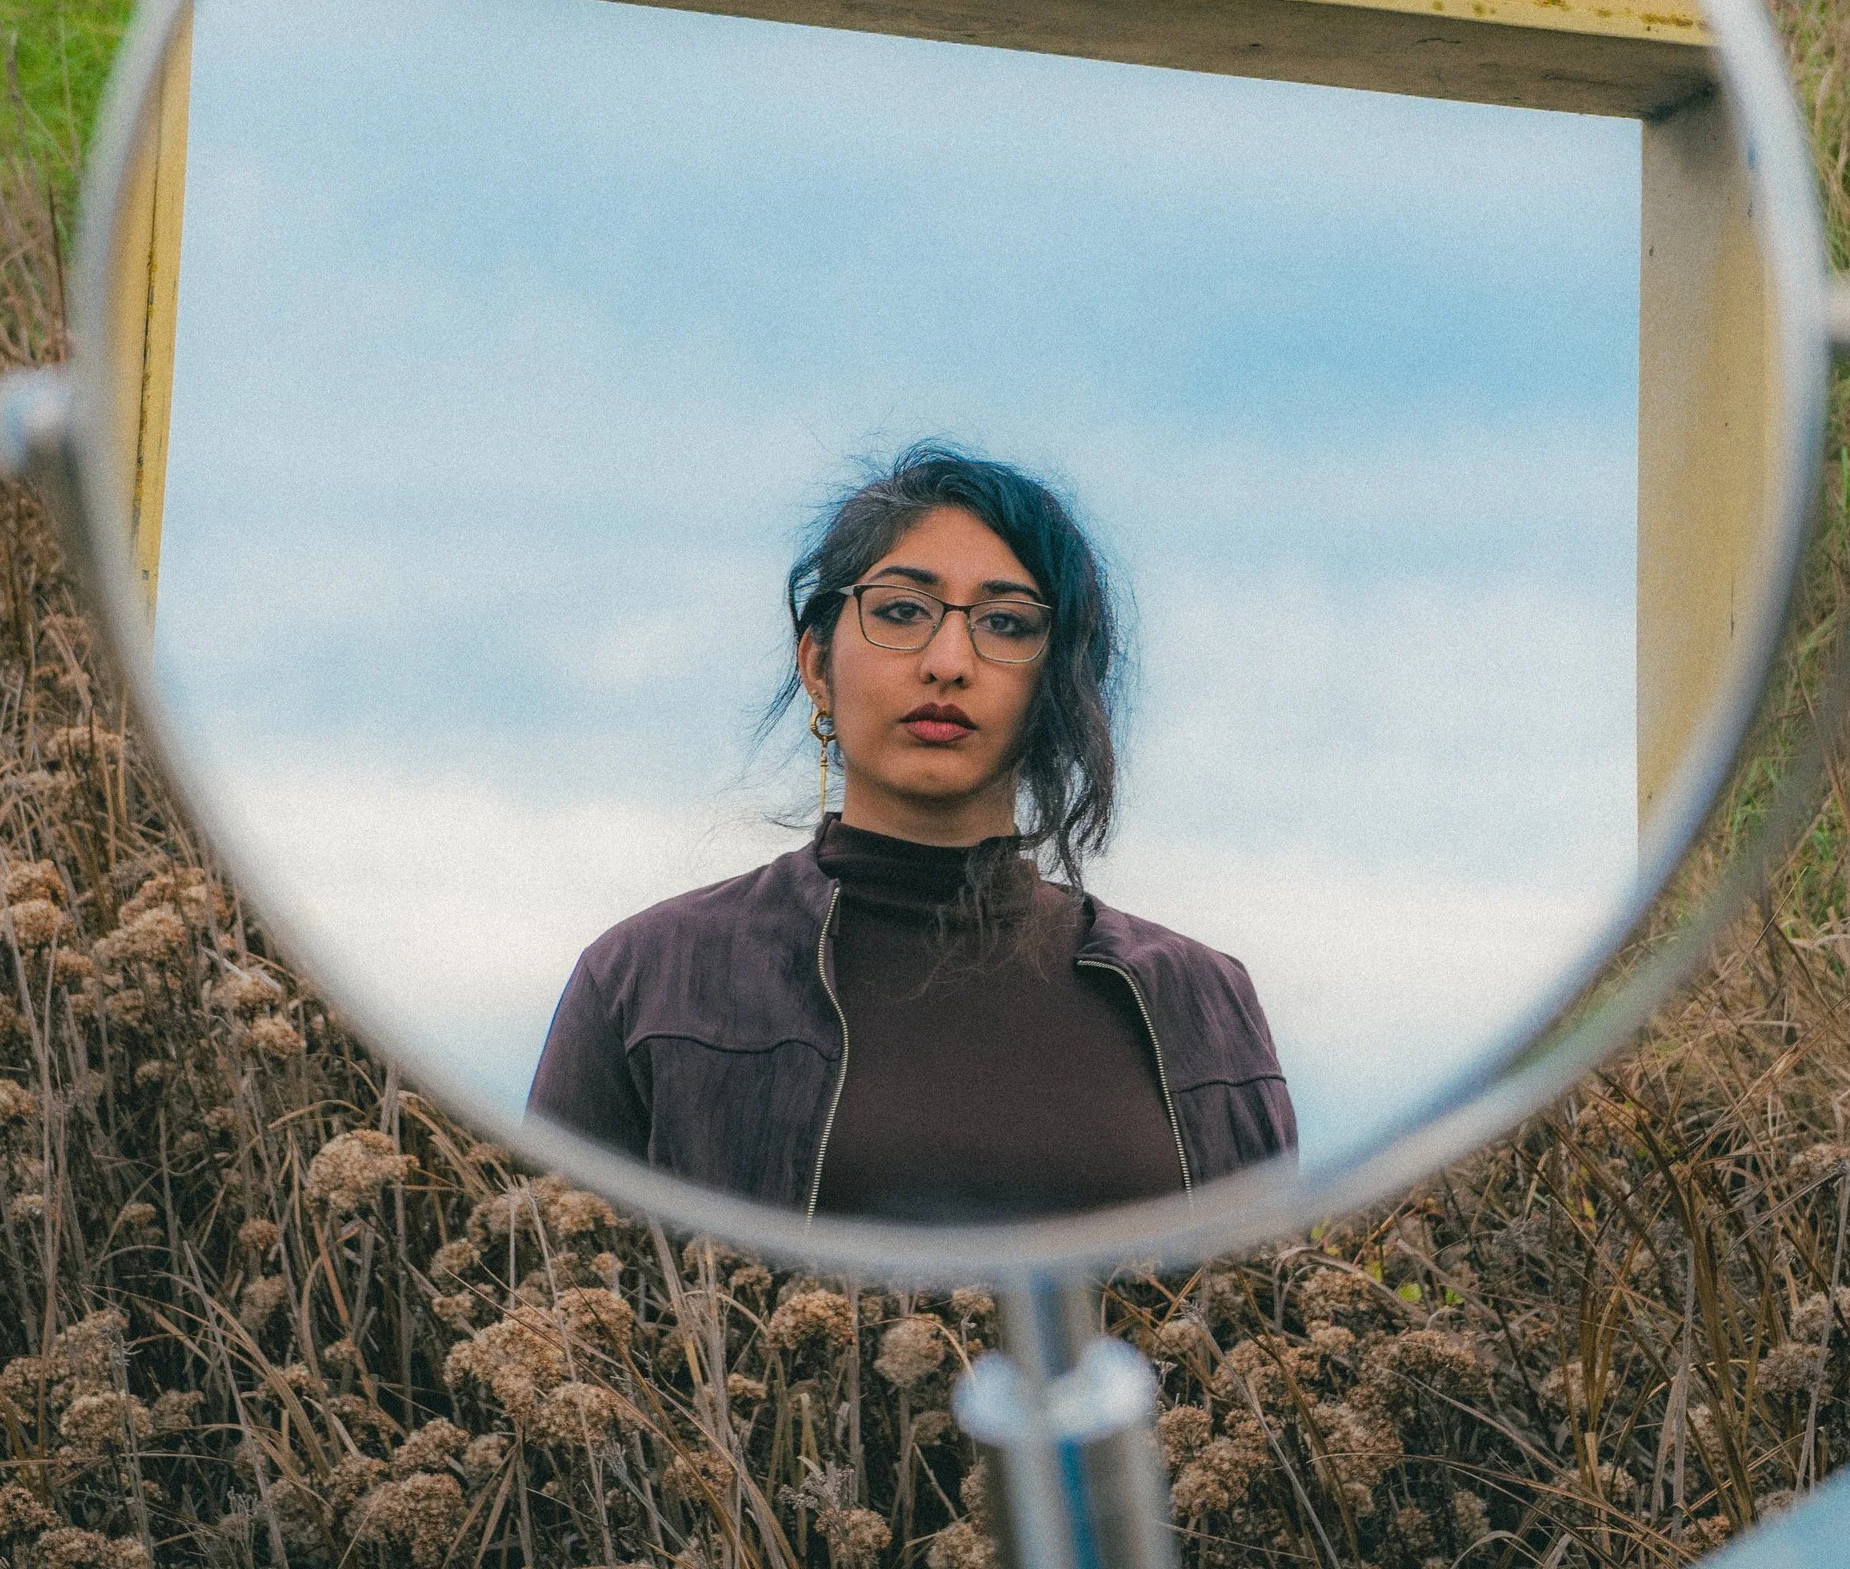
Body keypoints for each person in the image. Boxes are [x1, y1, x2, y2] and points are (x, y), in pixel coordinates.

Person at [527, 442, 1294, 1222]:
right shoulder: (648, 980)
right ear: (817, 664)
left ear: (1055, 683)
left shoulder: (1200, 1001)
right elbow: (550, 1294)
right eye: (900, 611)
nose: (949, 661)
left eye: (1004, 622)